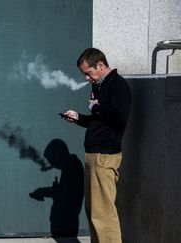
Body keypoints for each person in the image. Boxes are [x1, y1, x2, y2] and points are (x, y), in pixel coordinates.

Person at [62, 48, 131, 243]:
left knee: (103, 214)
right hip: (94, 155)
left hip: (104, 156)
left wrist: (96, 107)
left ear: (100, 65)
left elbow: (119, 119)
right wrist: (79, 118)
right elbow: (99, 121)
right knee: (94, 212)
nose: (86, 78)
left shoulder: (118, 85)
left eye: (88, 72)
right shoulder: (100, 86)